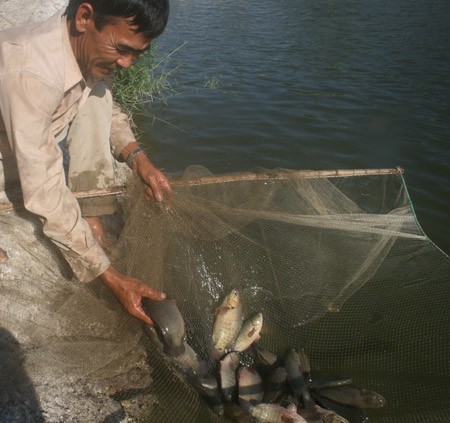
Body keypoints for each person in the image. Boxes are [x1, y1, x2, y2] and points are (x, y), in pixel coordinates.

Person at [0, 0, 172, 325]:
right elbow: (45, 190)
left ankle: (92, 214)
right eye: (122, 49)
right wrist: (109, 276)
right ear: (84, 17)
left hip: (19, 135)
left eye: (138, 54)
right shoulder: (32, 72)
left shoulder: (89, 51)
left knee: (98, 98)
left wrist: (138, 159)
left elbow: (106, 109)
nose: (128, 64)